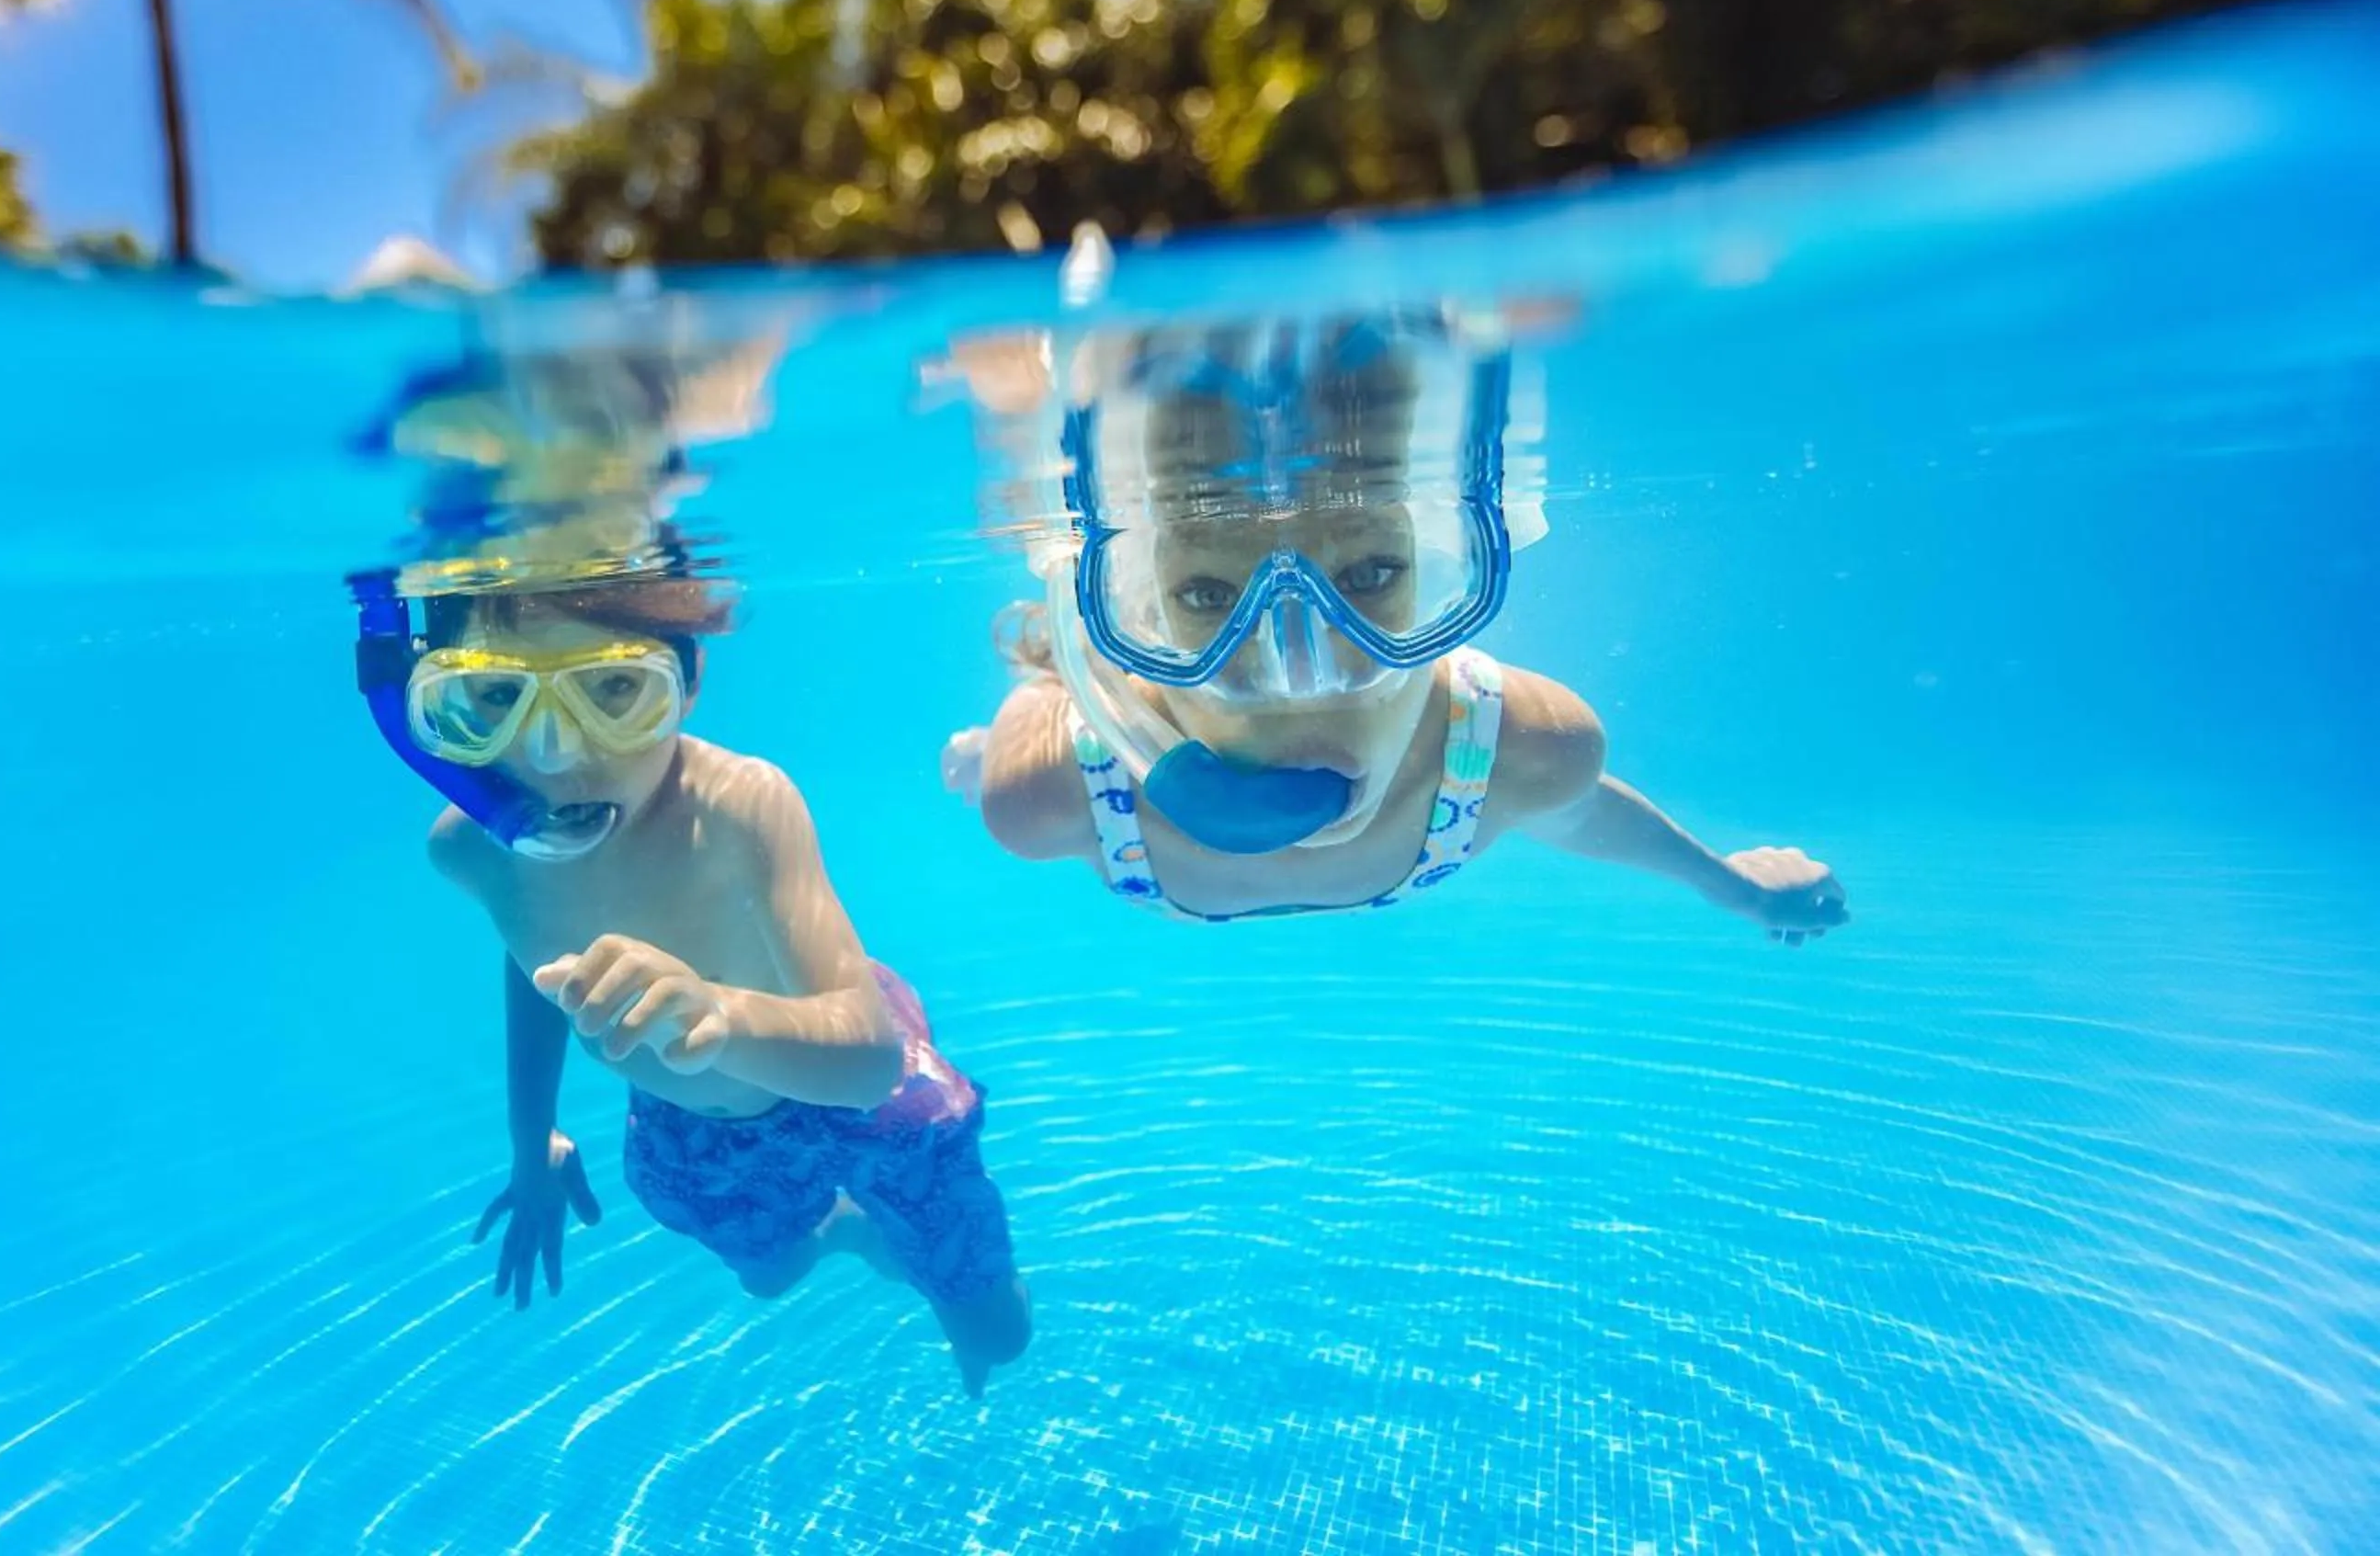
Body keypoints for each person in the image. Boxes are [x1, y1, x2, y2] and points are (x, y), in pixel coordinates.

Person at [355, 566, 1034, 1395]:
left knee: (1000, 1335)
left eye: (614, 689)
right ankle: (852, 1231)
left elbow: (867, 1065)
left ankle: (936, 1277)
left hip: (845, 1077)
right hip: (689, 1120)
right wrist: (531, 1142)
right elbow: (531, 955)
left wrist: (719, 1016)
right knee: (772, 1275)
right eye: (498, 696)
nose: (556, 750)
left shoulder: (738, 807)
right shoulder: (472, 849)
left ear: (687, 681)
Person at [949, 315, 1850, 938]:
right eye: (1211, 595)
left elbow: (1577, 811)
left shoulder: (1525, 746)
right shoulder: (1047, 790)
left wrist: (1728, 882)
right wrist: (1014, 739)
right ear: (1127, 610)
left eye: (1370, 574)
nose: (1303, 672)